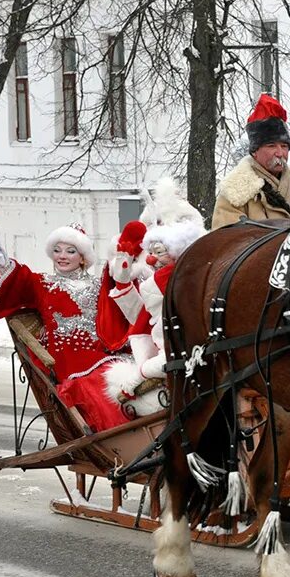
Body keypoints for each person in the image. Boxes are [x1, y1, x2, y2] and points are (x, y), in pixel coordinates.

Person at [0, 200, 129, 433]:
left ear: (84, 257)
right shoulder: (43, 284)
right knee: (100, 389)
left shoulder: (99, 286)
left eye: (70, 251)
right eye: (56, 250)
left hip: (105, 355)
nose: (62, 256)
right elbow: (9, 270)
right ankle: (119, 442)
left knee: (139, 380)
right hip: (71, 365)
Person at [99, 178, 208, 416]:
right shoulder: (152, 279)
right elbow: (140, 318)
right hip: (158, 358)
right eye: (150, 253)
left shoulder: (174, 281)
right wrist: (122, 281)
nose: (150, 259)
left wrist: (136, 379)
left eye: (158, 253)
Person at [212, 93, 290, 229]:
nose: (279, 153)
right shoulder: (235, 194)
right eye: (271, 146)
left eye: (284, 146)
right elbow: (227, 243)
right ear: (255, 151)